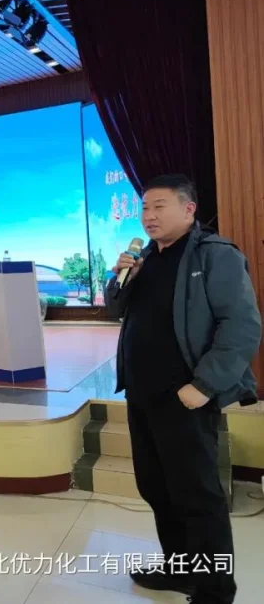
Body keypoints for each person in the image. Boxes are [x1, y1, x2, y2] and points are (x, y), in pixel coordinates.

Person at [105, 174, 261, 604]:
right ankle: (180, 571)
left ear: (188, 209)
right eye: (144, 208)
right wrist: (119, 277)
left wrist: (204, 385)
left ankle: (215, 591)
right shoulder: (144, 258)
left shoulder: (215, 255)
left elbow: (242, 326)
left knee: (198, 497)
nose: (148, 216)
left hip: (186, 398)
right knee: (157, 488)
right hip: (142, 394)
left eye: (159, 206)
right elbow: (115, 309)